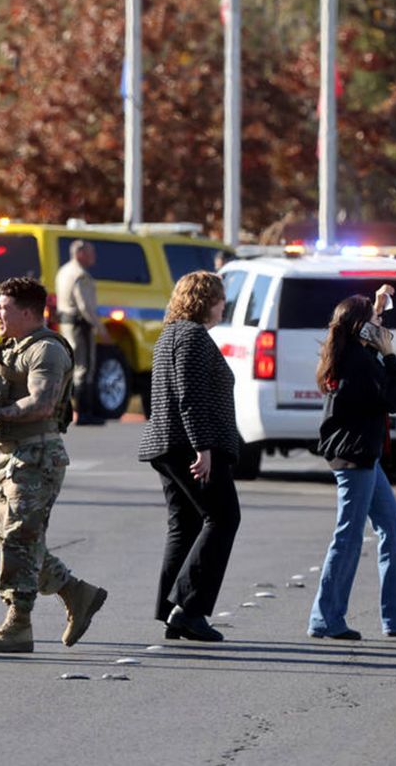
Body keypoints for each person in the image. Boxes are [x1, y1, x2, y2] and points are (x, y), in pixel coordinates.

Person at [0, 276, 108, 653]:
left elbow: (42, 403)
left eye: (4, 308)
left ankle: (19, 624)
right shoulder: (7, 346)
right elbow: (0, 384)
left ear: (27, 312)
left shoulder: (46, 350)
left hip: (37, 454)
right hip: (10, 452)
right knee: (13, 536)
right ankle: (76, 592)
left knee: (18, 537)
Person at [308, 286, 396, 641]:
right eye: (377, 322)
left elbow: (362, 329)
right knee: (347, 537)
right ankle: (326, 619)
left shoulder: (351, 352)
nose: (383, 327)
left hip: (363, 455)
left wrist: (376, 309)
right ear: (363, 330)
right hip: (355, 456)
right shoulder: (360, 363)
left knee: (393, 530)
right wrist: (390, 353)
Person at [137, 271, 240, 642]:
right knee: (223, 517)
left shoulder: (170, 335)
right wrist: (203, 447)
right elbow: (190, 396)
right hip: (188, 445)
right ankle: (189, 609)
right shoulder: (193, 337)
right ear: (204, 300)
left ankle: (171, 610)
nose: (223, 305)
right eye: (220, 298)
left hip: (166, 444)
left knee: (185, 525)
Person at [54, 240, 105, 425]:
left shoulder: (63, 271)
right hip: (80, 326)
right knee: (84, 369)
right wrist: (100, 328)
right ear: (80, 253)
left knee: (72, 368)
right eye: (91, 253)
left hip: (67, 325)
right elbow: (85, 306)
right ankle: (84, 413)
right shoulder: (80, 275)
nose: (94, 257)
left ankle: (67, 411)